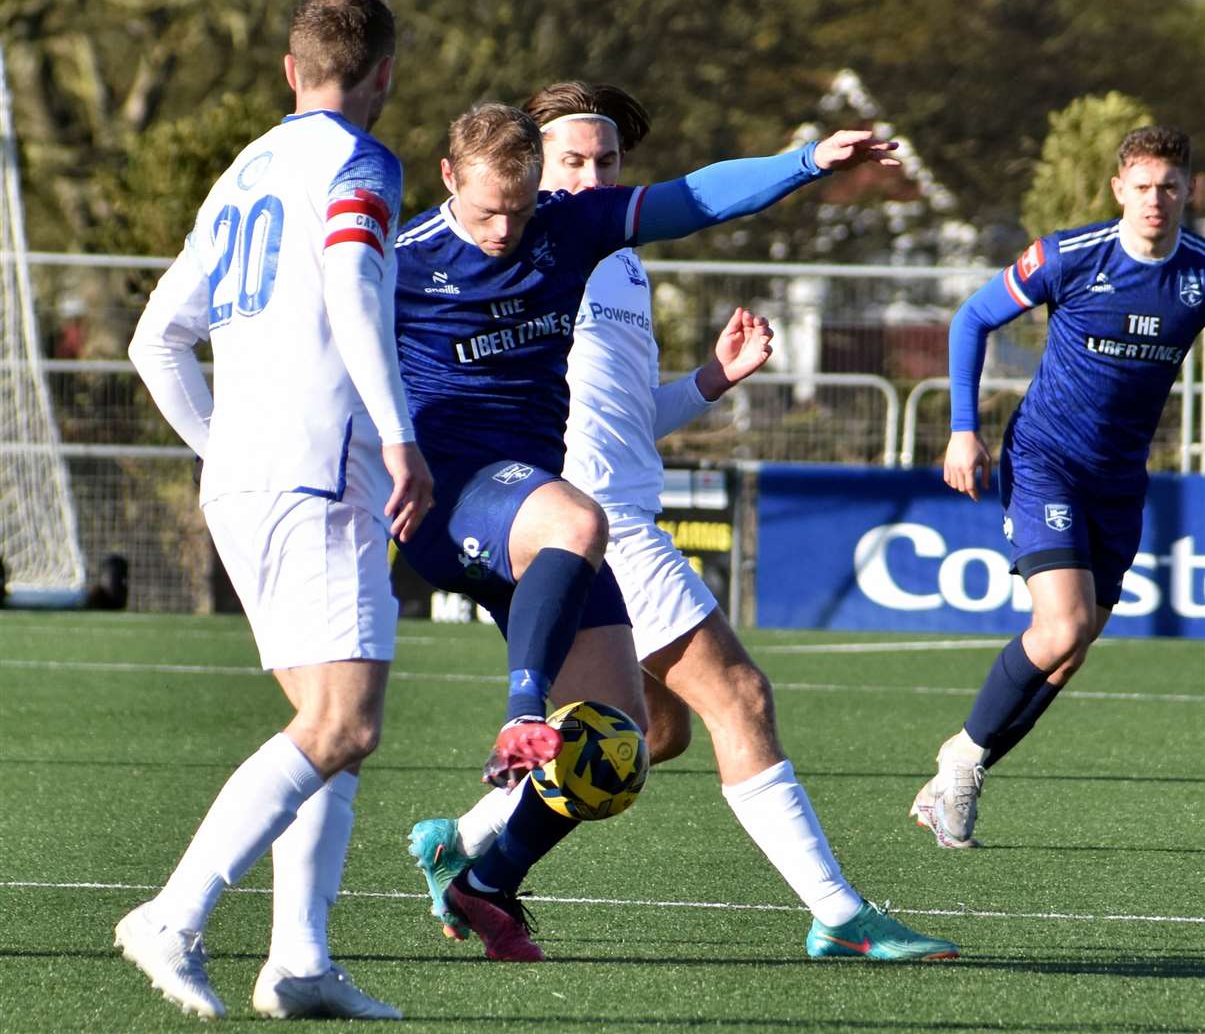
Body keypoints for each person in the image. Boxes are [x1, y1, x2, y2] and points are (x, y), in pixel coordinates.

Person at [406, 82, 960, 963]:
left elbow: (623, 410)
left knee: (646, 734)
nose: (591, 177)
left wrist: (709, 382)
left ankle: (468, 847)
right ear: (518, 170)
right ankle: (837, 912)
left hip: (609, 502)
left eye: (607, 161)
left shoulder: (612, 255)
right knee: (738, 696)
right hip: (585, 517)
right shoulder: (521, 243)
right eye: (569, 162)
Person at [121, 0, 432, 1019]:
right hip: (321, 470)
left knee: (320, 721)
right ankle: (173, 915)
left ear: (290, 72)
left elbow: (153, 338)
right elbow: (351, 288)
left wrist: (223, 449)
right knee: (343, 725)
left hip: (246, 479)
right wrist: (397, 436)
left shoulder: (240, 173)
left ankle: (298, 958)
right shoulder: (360, 161)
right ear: (384, 72)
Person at [912, 125, 1203, 849]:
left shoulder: (1198, 270)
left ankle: (957, 768)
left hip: (1119, 477)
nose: (1154, 200)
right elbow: (972, 318)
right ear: (1117, 190)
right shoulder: (1071, 256)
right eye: (1141, 186)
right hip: (1047, 459)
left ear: (1187, 191)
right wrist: (961, 428)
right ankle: (962, 765)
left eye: (1168, 186)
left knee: (1071, 650)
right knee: (1062, 626)